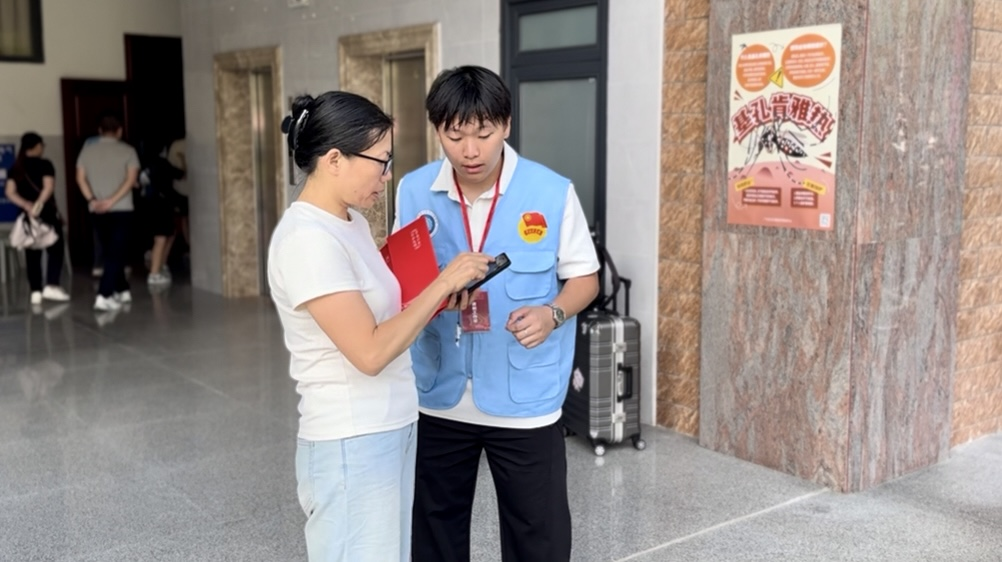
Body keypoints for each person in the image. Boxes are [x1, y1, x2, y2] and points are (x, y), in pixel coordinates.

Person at [266, 91, 491, 562]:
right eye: (380, 162)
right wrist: (443, 282)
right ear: (334, 160)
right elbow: (368, 353)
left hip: (389, 425)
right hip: (351, 438)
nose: (387, 176)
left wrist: (436, 300)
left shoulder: (348, 222)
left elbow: (386, 315)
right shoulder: (307, 240)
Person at [394, 65, 600, 562]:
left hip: (526, 400)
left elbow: (585, 280)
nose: (470, 151)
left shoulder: (551, 192)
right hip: (439, 397)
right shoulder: (413, 191)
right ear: (437, 130)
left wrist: (552, 314)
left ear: (506, 124)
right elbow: (401, 284)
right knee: (434, 535)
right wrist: (435, 294)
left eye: (483, 134)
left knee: (538, 538)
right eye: (454, 135)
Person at [75, 113, 141, 311]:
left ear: (99, 131)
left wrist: (92, 200)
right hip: (122, 209)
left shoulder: (87, 151)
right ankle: (104, 295)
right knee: (116, 251)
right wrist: (112, 200)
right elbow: (131, 180)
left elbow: (80, 178)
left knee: (110, 250)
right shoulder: (128, 151)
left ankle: (122, 289)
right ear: (119, 131)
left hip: (96, 210)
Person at [3, 132, 70, 305]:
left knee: (32, 251)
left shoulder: (16, 167)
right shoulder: (45, 164)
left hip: (26, 217)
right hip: (46, 214)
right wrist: (37, 207)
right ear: (38, 146)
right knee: (56, 247)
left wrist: (27, 206)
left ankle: (35, 291)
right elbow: (48, 188)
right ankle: (52, 285)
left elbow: (9, 192)